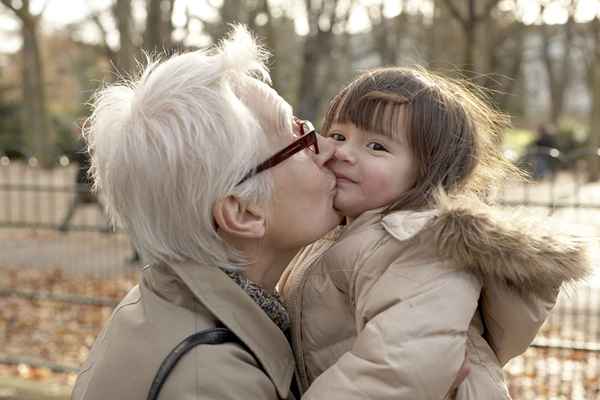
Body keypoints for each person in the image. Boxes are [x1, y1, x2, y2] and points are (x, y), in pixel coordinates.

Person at [279, 67, 590, 399]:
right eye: (339, 136)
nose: (343, 152)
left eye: (376, 146)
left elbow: (396, 372)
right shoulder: (343, 232)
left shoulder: (416, 246)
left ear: (427, 175)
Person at [71, 26, 342, 400]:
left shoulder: (161, 307)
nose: (328, 148)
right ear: (243, 211)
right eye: (300, 134)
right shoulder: (212, 382)